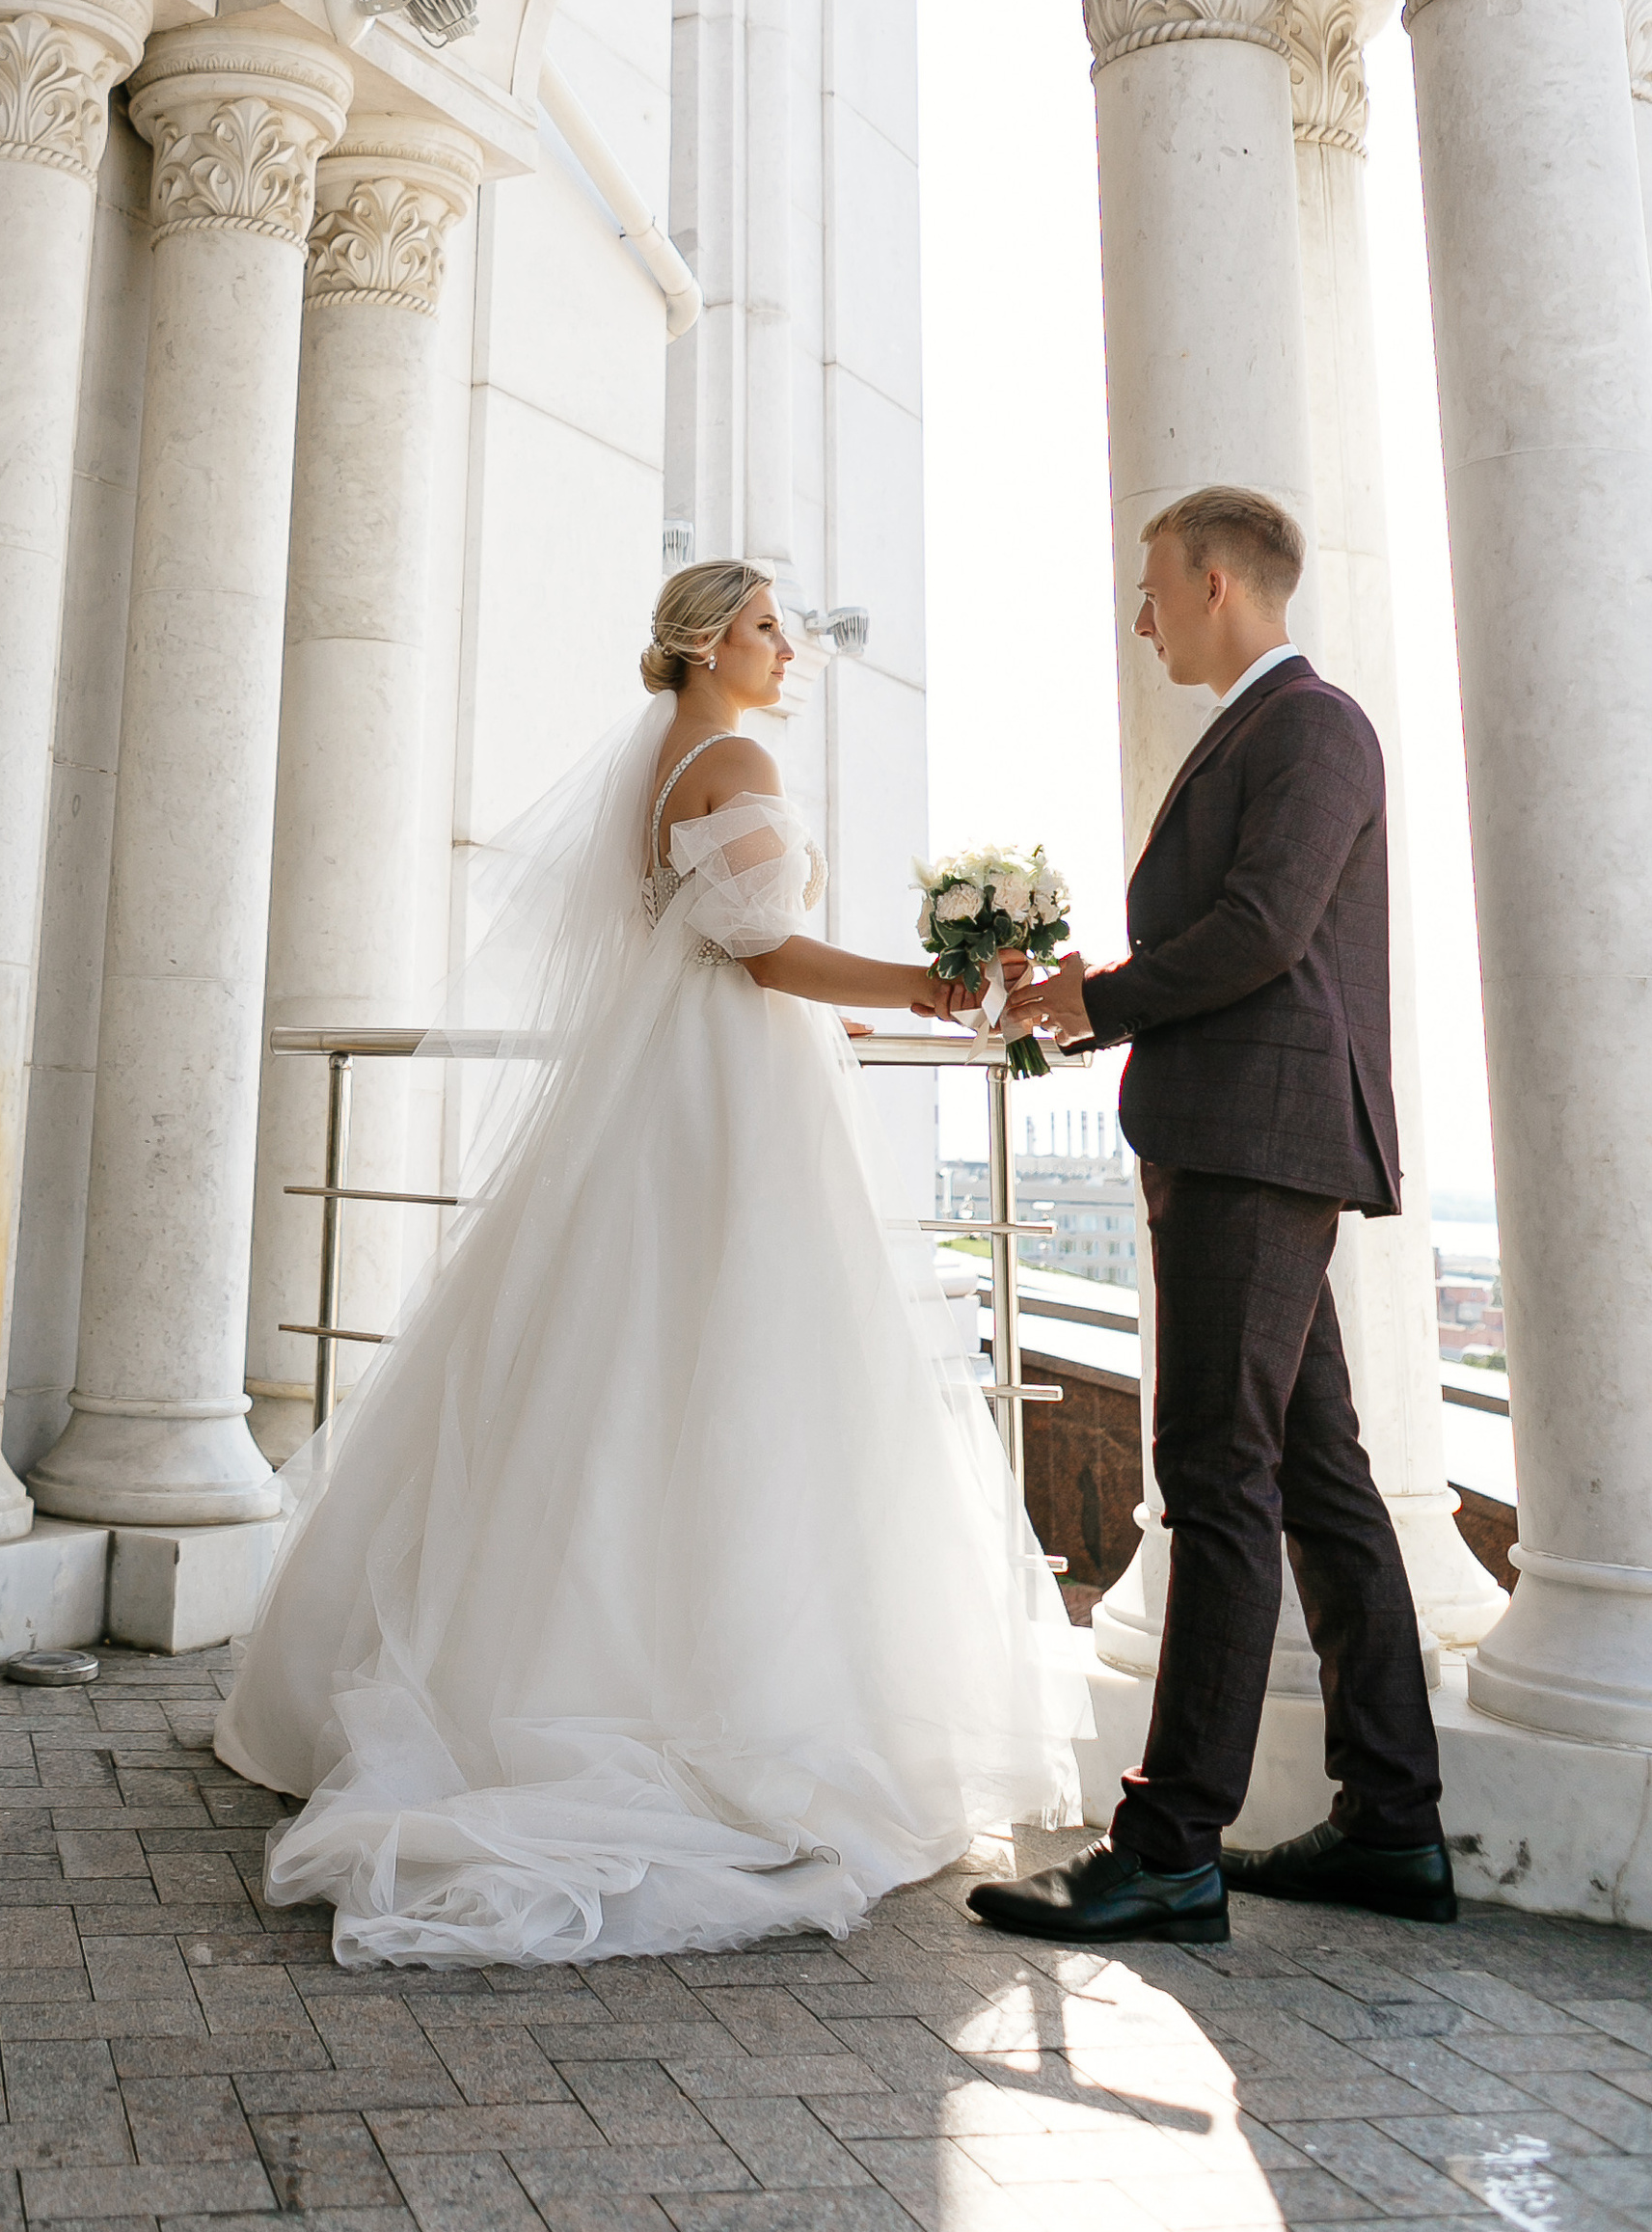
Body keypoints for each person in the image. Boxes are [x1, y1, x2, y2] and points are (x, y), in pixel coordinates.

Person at [213, 558, 1088, 1965]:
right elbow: (763, 956)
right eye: (761, 626)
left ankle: (546, 1660)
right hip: (727, 1102)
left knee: (630, 1362)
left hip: (684, 1088)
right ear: (699, 643)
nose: (785, 644)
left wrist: (866, 1012)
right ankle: (716, 1701)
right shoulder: (729, 750)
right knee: (737, 1366)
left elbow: (707, 947)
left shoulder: (665, 760)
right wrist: (932, 988)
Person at [969, 484, 1453, 1948]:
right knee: (1317, 1479)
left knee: (1212, 1480)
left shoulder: (1311, 725)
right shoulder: (1268, 731)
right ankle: (1393, 1822)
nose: (1141, 616)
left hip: (1256, 1143)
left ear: (1222, 585)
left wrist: (1095, 1002)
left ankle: (1172, 1847)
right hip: (1252, 1136)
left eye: (1154, 589)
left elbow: (1259, 931)